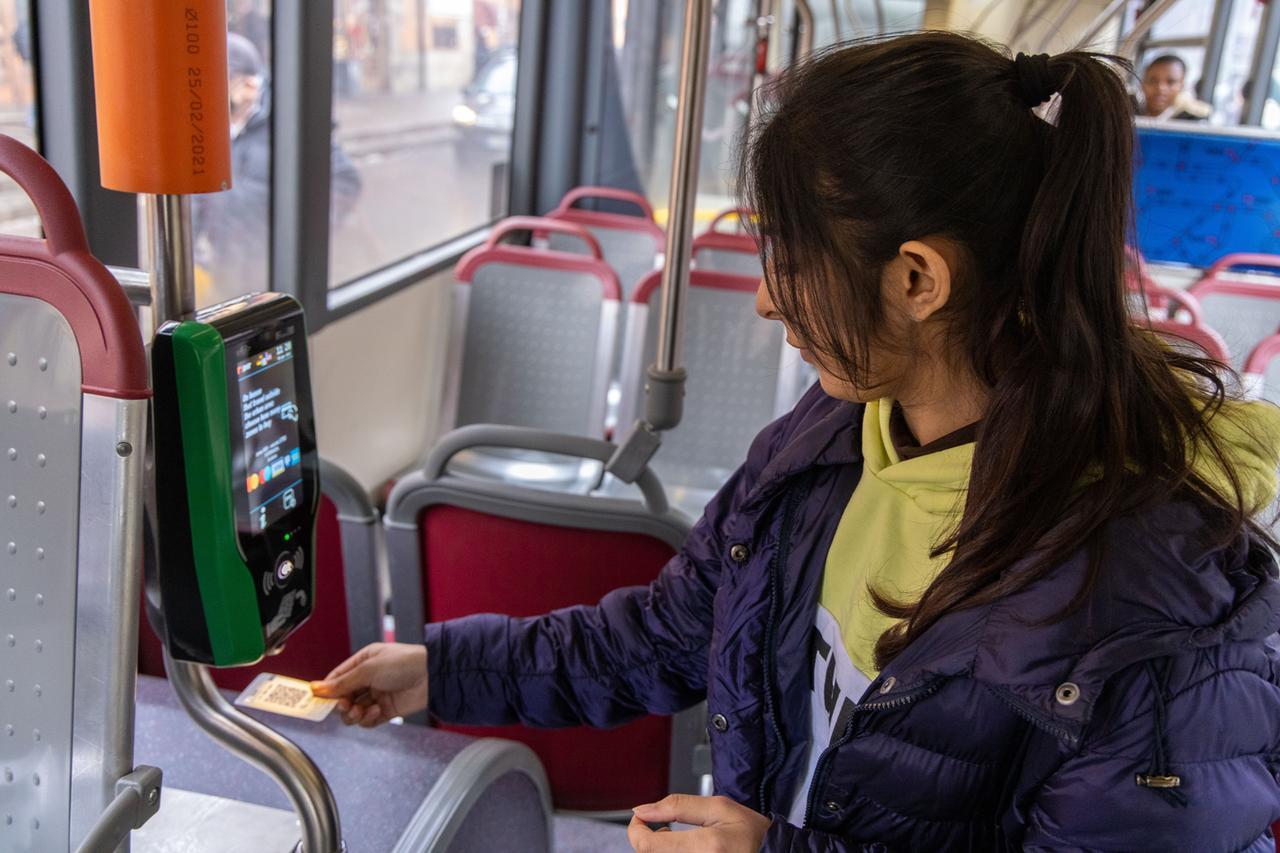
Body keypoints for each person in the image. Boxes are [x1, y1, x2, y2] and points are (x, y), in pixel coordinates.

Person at [313, 33, 1280, 850]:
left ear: (916, 280)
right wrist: (443, 669)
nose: (768, 294)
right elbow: (669, 630)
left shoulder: (1156, 613)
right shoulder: (834, 436)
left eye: (789, 252)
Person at [191, 33, 362, 304]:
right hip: (229, 271)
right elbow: (199, 195)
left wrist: (308, 239)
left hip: (276, 273)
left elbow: (344, 179)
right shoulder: (213, 131)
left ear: (247, 84)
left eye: (219, 84)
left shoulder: (288, 124)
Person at [1135, 54, 1209, 121]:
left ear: (1182, 86)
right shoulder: (1127, 114)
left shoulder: (1193, 123)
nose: (1160, 88)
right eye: (1153, 81)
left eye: (1170, 82)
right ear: (1142, 83)